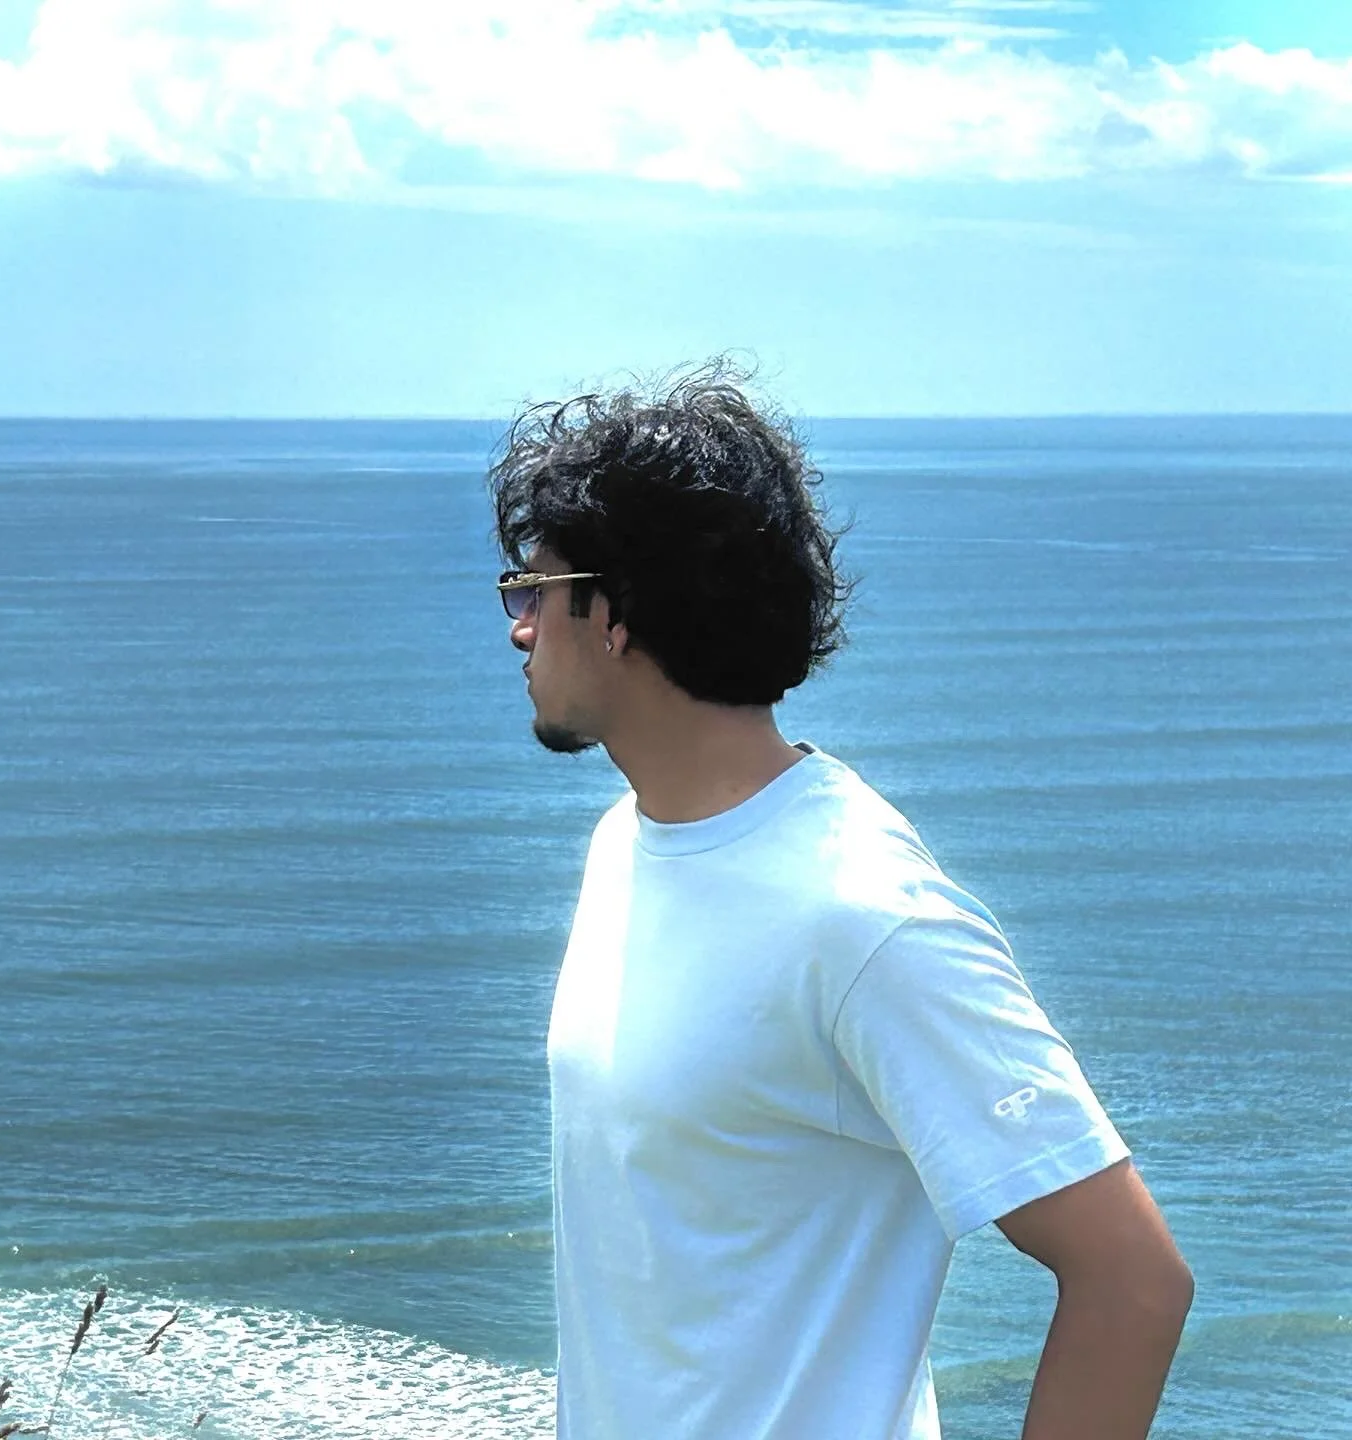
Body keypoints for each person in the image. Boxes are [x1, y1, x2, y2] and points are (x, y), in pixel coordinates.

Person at [488, 365, 1193, 1440]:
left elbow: (1132, 1280)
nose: (518, 627)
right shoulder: (625, 845)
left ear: (617, 612)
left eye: (534, 589)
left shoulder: (861, 915)